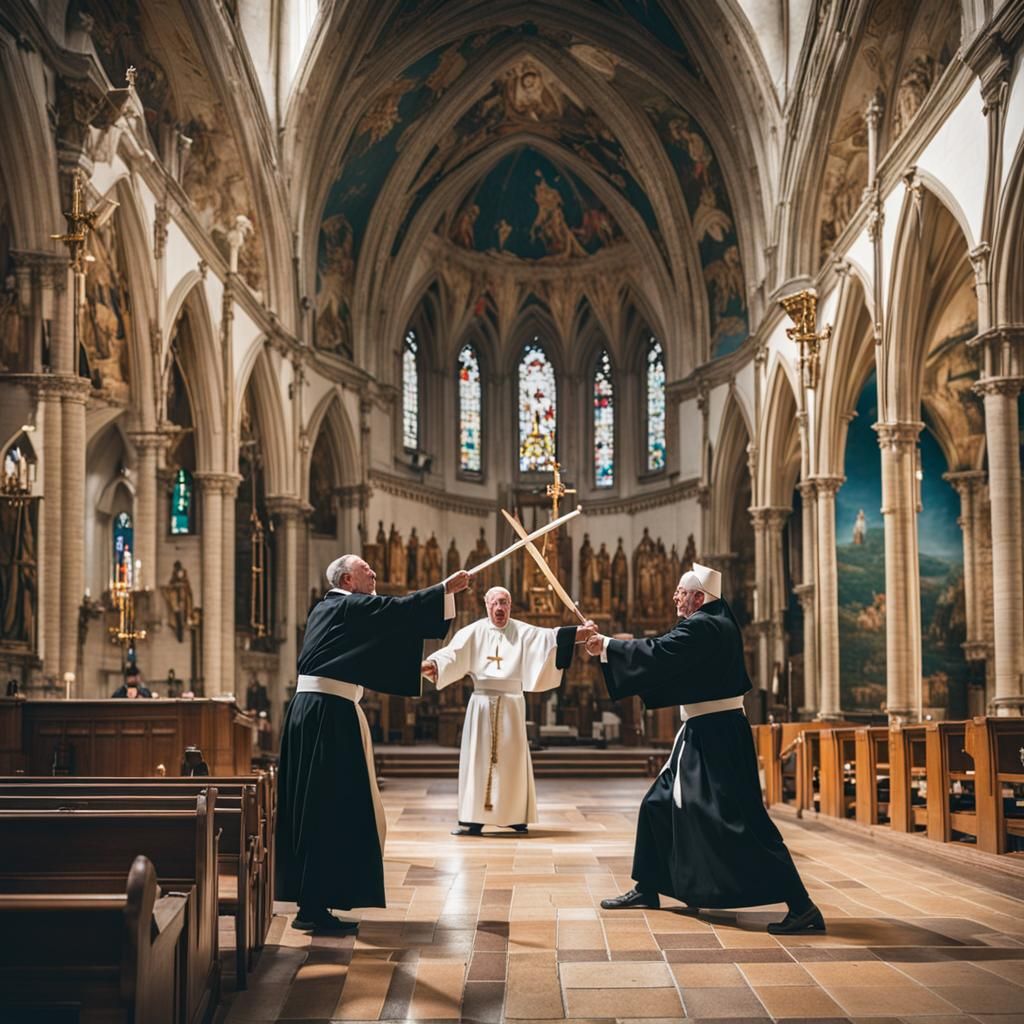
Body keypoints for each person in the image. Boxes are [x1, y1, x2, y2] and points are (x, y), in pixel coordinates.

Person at [586, 563, 824, 935]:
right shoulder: (710, 623)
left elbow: (662, 652)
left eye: (681, 592)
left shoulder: (704, 625)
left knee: (742, 821)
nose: (675, 597)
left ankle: (802, 906)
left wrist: (609, 647)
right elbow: (671, 659)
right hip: (704, 731)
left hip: (717, 737)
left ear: (700, 597)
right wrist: (613, 648)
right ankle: (648, 888)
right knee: (658, 804)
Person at [275, 553, 470, 933]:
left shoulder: (330, 609)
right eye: (367, 570)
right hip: (327, 716)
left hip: (317, 712)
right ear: (347, 579)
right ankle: (314, 906)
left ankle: (313, 900)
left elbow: (375, 635)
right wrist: (442, 590)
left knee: (321, 806)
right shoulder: (345, 606)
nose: (375, 574)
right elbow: (394, 612)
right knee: (331, 806)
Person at [422, 586, 596, 836]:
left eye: (504, 602)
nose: (499, 608)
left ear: (510, 605)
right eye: (494, 603)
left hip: (512, 704)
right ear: (486, 605)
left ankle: (514, 816)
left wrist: (581, 634)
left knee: (511, 762)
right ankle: (473, 819)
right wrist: (434, 664)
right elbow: (453, 654)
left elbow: (550, 638)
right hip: (481, 704)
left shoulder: (522, 631)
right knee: (479, 761)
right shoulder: (473, 632)